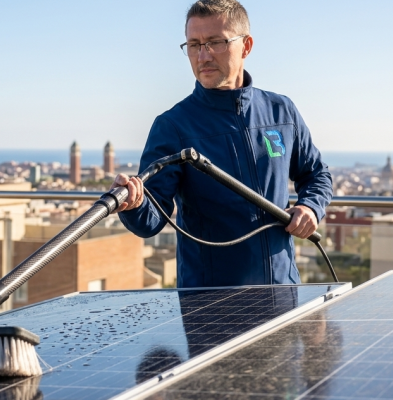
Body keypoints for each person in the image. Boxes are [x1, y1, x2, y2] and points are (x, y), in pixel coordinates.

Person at [113, 0, 332, 288]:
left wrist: (311, 208)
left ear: (246, 46)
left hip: (282, 288)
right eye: (193, 45)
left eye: (215, 42)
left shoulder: (282, 111)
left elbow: (317, 174)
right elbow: (150, 221)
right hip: (209, 302)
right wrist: (135, 204)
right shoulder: (173, 126)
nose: (202, 56)